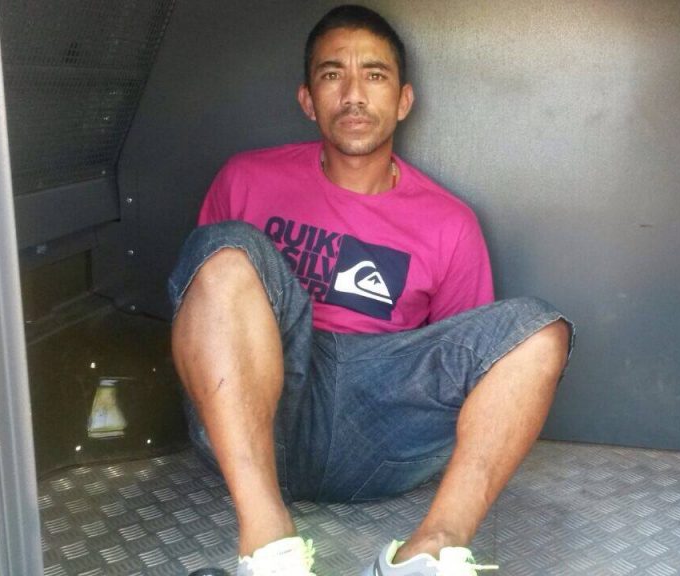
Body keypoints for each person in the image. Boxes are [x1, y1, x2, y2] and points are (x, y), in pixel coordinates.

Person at [168, 5, 573, 575]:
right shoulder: (246, 179)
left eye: (374, 75)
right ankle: (269, 547)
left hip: (383, 434)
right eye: (333, 74)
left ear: (403, 101)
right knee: (225, 250)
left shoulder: (450, 223)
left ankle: (429, 552)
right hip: (262, 421)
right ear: (308, 99)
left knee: (540, 330)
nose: (354, 95)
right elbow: (204, 314)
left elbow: (469, 367)